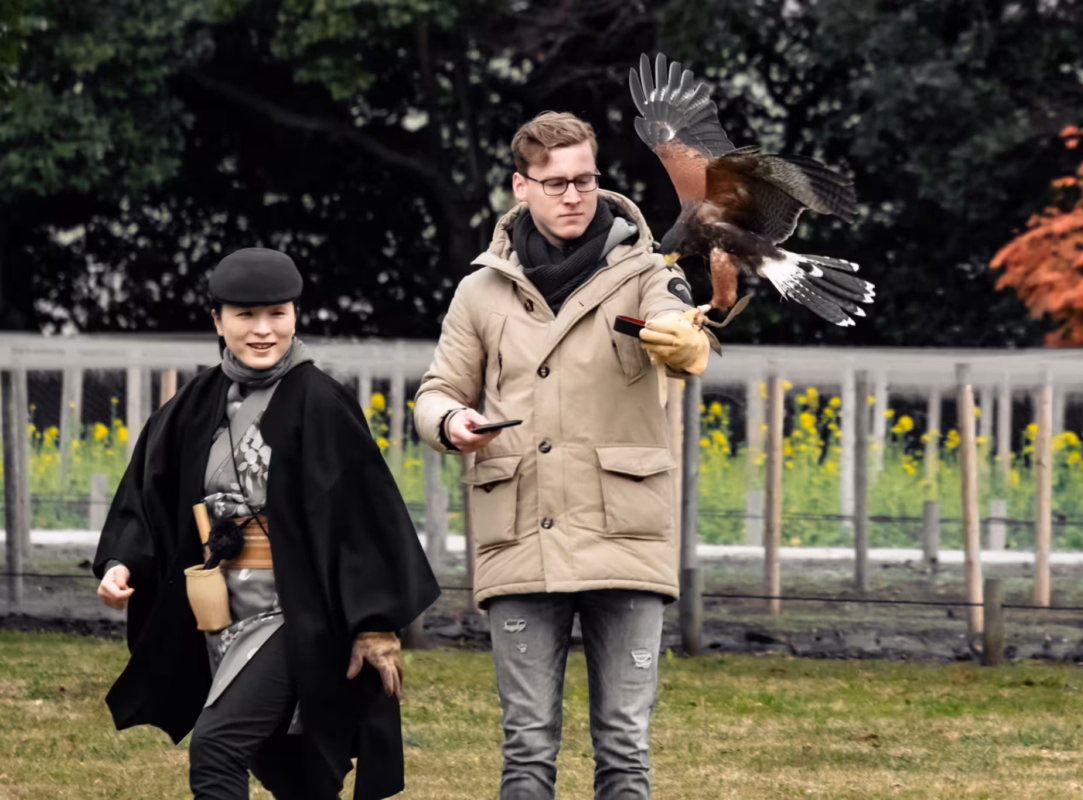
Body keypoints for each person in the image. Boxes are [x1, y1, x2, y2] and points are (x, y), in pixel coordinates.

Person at [413, 111, 711, 800]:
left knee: (625, 748)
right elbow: (435, 392)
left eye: (584, 180)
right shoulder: (480, 292)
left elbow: (678, 324)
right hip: (522, 534)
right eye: (555, 183)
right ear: (522, 186)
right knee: (525, 747)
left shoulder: (648, 272)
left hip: (626, 533)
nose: (573, 195)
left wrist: (682, 339)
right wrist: (452, 420)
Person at [93, 247, 439, 800]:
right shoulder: (193, 404)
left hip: (295, 611)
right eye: (244, 316)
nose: (262, 330)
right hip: (219, 611)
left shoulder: (321, 402)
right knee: (287, 772)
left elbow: (366, 515)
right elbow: (148, 494)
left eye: (276, 313)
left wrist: (374, 622)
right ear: (217, 321)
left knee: (217, 747)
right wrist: (121, 563)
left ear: (295, 314)